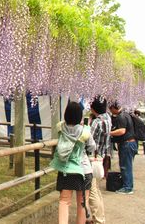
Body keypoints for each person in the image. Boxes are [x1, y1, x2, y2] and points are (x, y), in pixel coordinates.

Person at [50, 101, 96, 224]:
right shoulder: (85, 131)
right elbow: (92, 147)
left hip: (66, 169)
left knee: (64, 201)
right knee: (82, 202)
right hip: (83, 170)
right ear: (80, 116)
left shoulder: (60, 127)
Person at [88, 96, 111, 224]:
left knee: (92, 190)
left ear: (93, 107)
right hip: (101, 157)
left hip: (93, 157)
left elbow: (88, 139)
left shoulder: (97, 122)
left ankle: (98, 220)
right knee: (96, 188)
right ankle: (99, 217)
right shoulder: (107, 118)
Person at [109, 101, 137, 194]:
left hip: (127, 144)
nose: (110, 111)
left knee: (126, 166)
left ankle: (127, 188)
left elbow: (122, 131)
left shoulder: (121, 116)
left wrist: (109, 133)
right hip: (130, 144)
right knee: (126, 165)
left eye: (111, 109)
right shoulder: (125, 114)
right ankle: (127, 185)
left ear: (114, 107)